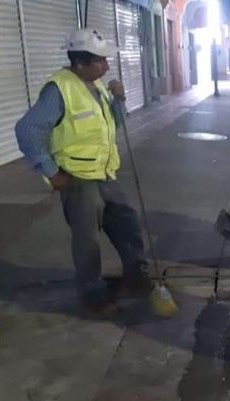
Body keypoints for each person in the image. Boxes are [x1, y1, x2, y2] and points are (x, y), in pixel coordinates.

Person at [15, 29, 151, 318]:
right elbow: (27, 130)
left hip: (105, 174)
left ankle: (136, 277)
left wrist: (119, 99)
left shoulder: (97, 84)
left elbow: (114, 124)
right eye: (100, 61)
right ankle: (92, 295)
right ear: (79, 63)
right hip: (77, 180)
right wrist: (51, 172)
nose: (107, 66)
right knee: (87, 241)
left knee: (127, 223)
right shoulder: (59, 89)